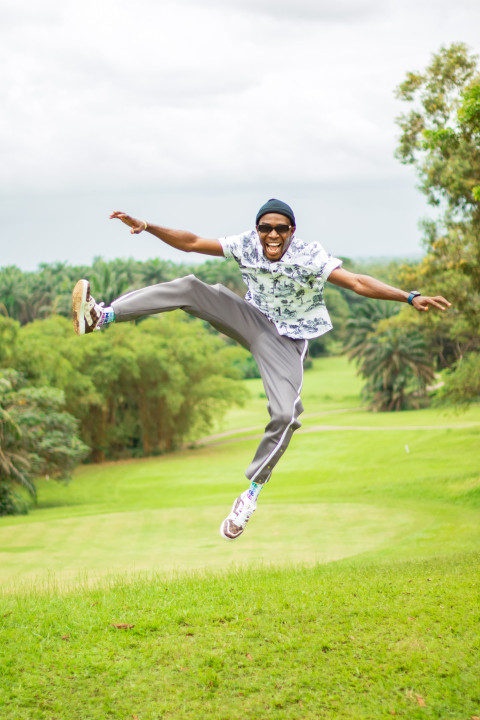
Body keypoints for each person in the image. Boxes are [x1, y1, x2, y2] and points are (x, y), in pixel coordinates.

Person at [72, 198, 451, 540]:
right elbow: (191, 243)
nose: (272, 235)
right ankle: (102, 315)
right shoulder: (246, 245)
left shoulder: (309, 256)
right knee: (189, 287)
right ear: (257, 230)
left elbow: (355, 282)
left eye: (280, 229)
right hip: (250, 318)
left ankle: (250, 495)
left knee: (286, 415)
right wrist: (148, 226)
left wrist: (409, 296)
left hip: (286, 342)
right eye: (265, 227)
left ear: (291, 232)